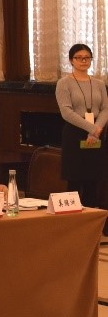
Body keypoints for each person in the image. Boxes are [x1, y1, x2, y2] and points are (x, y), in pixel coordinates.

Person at [55, 43, 108, 209]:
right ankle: (73, 220)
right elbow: (66, 112)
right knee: (75, 181)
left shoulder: (99, 83)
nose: (83, 61)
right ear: (71, 60)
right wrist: (92, 129)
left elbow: (105, 109)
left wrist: (96, 131)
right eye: (79, 58)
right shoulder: (64, 83)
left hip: (97, 134)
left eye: (87, 58)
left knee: (93, 180)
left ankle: (91, 221)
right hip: (74, 132)